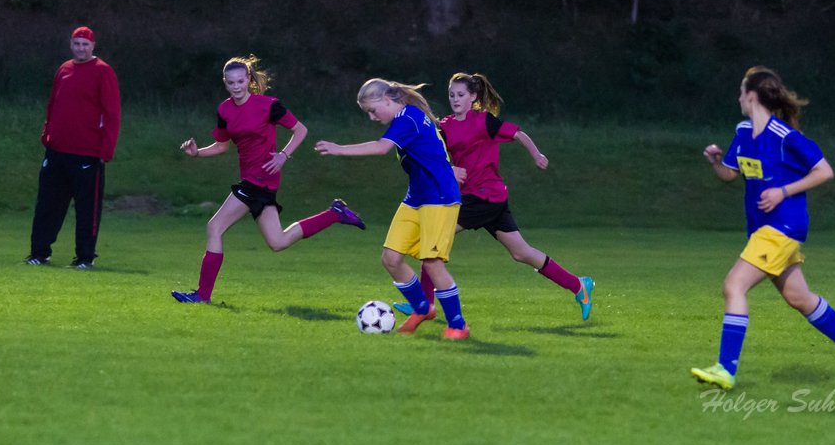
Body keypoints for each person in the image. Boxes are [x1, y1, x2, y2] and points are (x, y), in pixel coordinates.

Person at [692, 66, 835, 390]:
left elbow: (824, 171)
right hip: (762, 229)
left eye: (740, 92)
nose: (738, 98)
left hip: (782, 227)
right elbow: (731, 175)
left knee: (734, 286)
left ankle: (726, 368)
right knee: (799, 298)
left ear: (751, 95)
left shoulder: (784, 137)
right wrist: (717, 163)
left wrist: (784, 191)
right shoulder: (744, 132)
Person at [393, 72, 593, 322]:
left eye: (461, 95)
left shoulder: (484, 121)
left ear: (473, 97)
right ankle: (579, 286)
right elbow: (434, 153)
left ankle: (423, 305)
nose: (455, 99)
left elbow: (518, 133)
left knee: (430, 243)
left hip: (485, 196)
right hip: (481, 199)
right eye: (451, 95)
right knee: (521, 252)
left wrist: (536, 154)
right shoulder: (445, 126)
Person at [170, 56, 366, 304]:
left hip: (260, 178)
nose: (236, 86)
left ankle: (202, 295)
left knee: (214, 227)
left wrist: (284, 155)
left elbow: (300, 130)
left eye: (241, 81)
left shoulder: (269, 105)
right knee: (278, 241)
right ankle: (335, 213)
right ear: (225, 83)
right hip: (256, 182)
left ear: (249, 79)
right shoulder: (225, 110)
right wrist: (197, 153)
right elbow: (221, 146)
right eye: (231, 83)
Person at [313, 78, 470, 340]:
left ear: (387, 99)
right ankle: (422, 308)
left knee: (432, 263)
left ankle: (458, 324)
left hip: (439, 197)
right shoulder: (409, 117)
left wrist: (339, 149)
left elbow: (381, 147)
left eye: (374, 110)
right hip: (416, 198)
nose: (373, 117)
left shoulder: (407, 118)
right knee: (391, 258)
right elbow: (430, 150)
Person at [25, 25, 121, 269]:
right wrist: (47, 135)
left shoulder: (103, 72)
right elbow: (53, 104)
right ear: (71, 44)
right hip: (57, 151)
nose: (81, 48)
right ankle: (39, 253)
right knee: (47, 205)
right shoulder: (64, 69)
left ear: (93, 46)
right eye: (77, 43)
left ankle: (85, 258)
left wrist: (106, 150)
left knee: (87, 210)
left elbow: (112, 114)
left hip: (87, 153)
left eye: (85, 44)